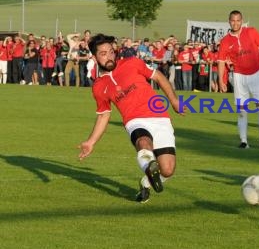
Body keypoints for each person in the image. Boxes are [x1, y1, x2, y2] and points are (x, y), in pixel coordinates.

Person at [77, 33, 183, 203]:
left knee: (168, 170)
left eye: (111, 52)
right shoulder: (99, 86)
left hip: (160, 118)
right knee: (143, 142)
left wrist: (174, 101)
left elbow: (158, 76)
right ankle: (149, 166)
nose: (109, 56)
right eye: (103, 54)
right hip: (135, 121)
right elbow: (104, 115)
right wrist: (91, 142)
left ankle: (146, 181)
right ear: (95, 57)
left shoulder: (132, 63)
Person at [217, 10, 259, 149]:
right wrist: (221, 80)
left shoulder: (252, 32)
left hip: (257, 74)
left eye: (238, 20)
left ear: (242, 21)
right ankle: (243, 141)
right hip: (239, 76)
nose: (235, 23)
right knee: (242, 111)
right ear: (229, 21)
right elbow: (221, 61)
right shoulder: (225, 41)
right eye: (233, 20)